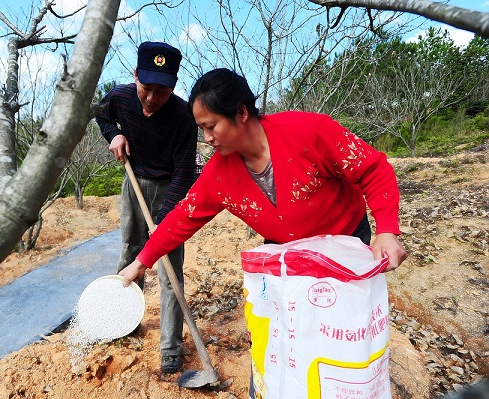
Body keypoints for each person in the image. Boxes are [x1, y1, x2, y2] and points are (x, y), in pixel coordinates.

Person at [117, 68, 408, 387]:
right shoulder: (219, 173)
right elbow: (182, 218)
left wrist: (387, 230)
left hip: (343, 244)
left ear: (241, 112)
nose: (208, 138)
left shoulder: (308, 132)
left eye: (211, 126)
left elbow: (373, 169)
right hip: (283, 253)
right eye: (202, 129)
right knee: (284, 335)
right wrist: (140, 262)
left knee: (335, 330)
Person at [95, 42, 198, 374]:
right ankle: (124, 322)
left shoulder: (184, 117)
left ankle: (171, 347)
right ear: (136, 75)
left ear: (174, 84)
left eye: (162, 90)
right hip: (134, 181)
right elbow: (101, 113)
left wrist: (165, 219)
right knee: (129, 253)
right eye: (147, 87)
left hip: (170, 187)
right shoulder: (121, 98)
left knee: (169, 268)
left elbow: (184, 173)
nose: (153, 97)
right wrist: (113, 134)